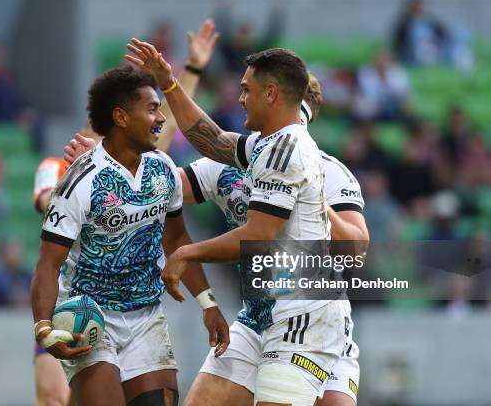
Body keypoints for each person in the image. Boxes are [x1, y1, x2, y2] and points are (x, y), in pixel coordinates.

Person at [65, 75, 368, 406]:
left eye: (250, 92)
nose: (242, 99)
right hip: (256, 319)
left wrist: (311, 196)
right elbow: (154, 191)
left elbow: (355, 248)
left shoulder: (330, 172)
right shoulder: (227, 167)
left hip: (313, 323)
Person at [126, 41, 346, 405]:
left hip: (302, 316)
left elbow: (258, 234)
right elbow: (212, 140)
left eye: (247, 89)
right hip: (262, 313)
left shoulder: (286, 151)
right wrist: (170, 84)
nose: (240, 98)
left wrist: (187, 253)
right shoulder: (268, 144)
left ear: (271, 94)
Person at [31, 20, 221, 406]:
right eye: (146, 109)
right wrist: (43, 326)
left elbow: (176, 233)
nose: (157, 119)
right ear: (113, 118)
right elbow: (48, 212)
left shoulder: (156, 166)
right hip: (84, 312)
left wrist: (191, 70)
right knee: (52, 398)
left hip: (145, 316)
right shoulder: (68, 174)